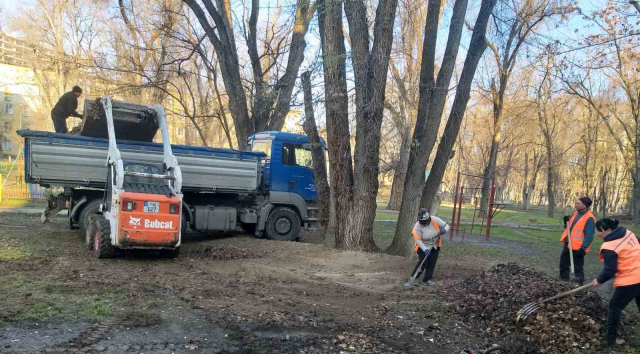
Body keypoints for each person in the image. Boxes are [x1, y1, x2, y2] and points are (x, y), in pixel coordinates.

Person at [591, 217, 640, 349]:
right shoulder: (628, 233)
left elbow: (609, 270)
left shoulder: (609, 246)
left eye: (598, 231)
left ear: (608, 230)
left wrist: (599, 280)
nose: (596, 233)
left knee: (615, 305)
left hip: (633, 279)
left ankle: (610, 340)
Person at [559, 197, 596, 285]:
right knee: (563, 262)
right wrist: (566, 222)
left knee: (577, 267)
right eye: (576, 203)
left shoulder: (589, 218)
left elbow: (589, 236)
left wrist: (583, 248)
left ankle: (579, 283)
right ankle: (563, 280)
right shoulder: (575, 214)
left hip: (579, 248)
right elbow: (569, 228)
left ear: (585, 205)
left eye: (578, 203)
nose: (576, 205)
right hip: (569, 244)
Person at [411, 208, 449, 285]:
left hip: (435, 245)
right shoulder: (417, 226)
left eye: (425, 223)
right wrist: (425, 249)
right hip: (422, 246)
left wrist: (444, 230)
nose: (423, 224)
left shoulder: (435, 220)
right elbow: (418, 240)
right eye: (422, 223)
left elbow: (446, 225)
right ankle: (413, 277)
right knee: (423, 262)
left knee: (432, 262)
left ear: (428, 220)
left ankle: (427, 279)